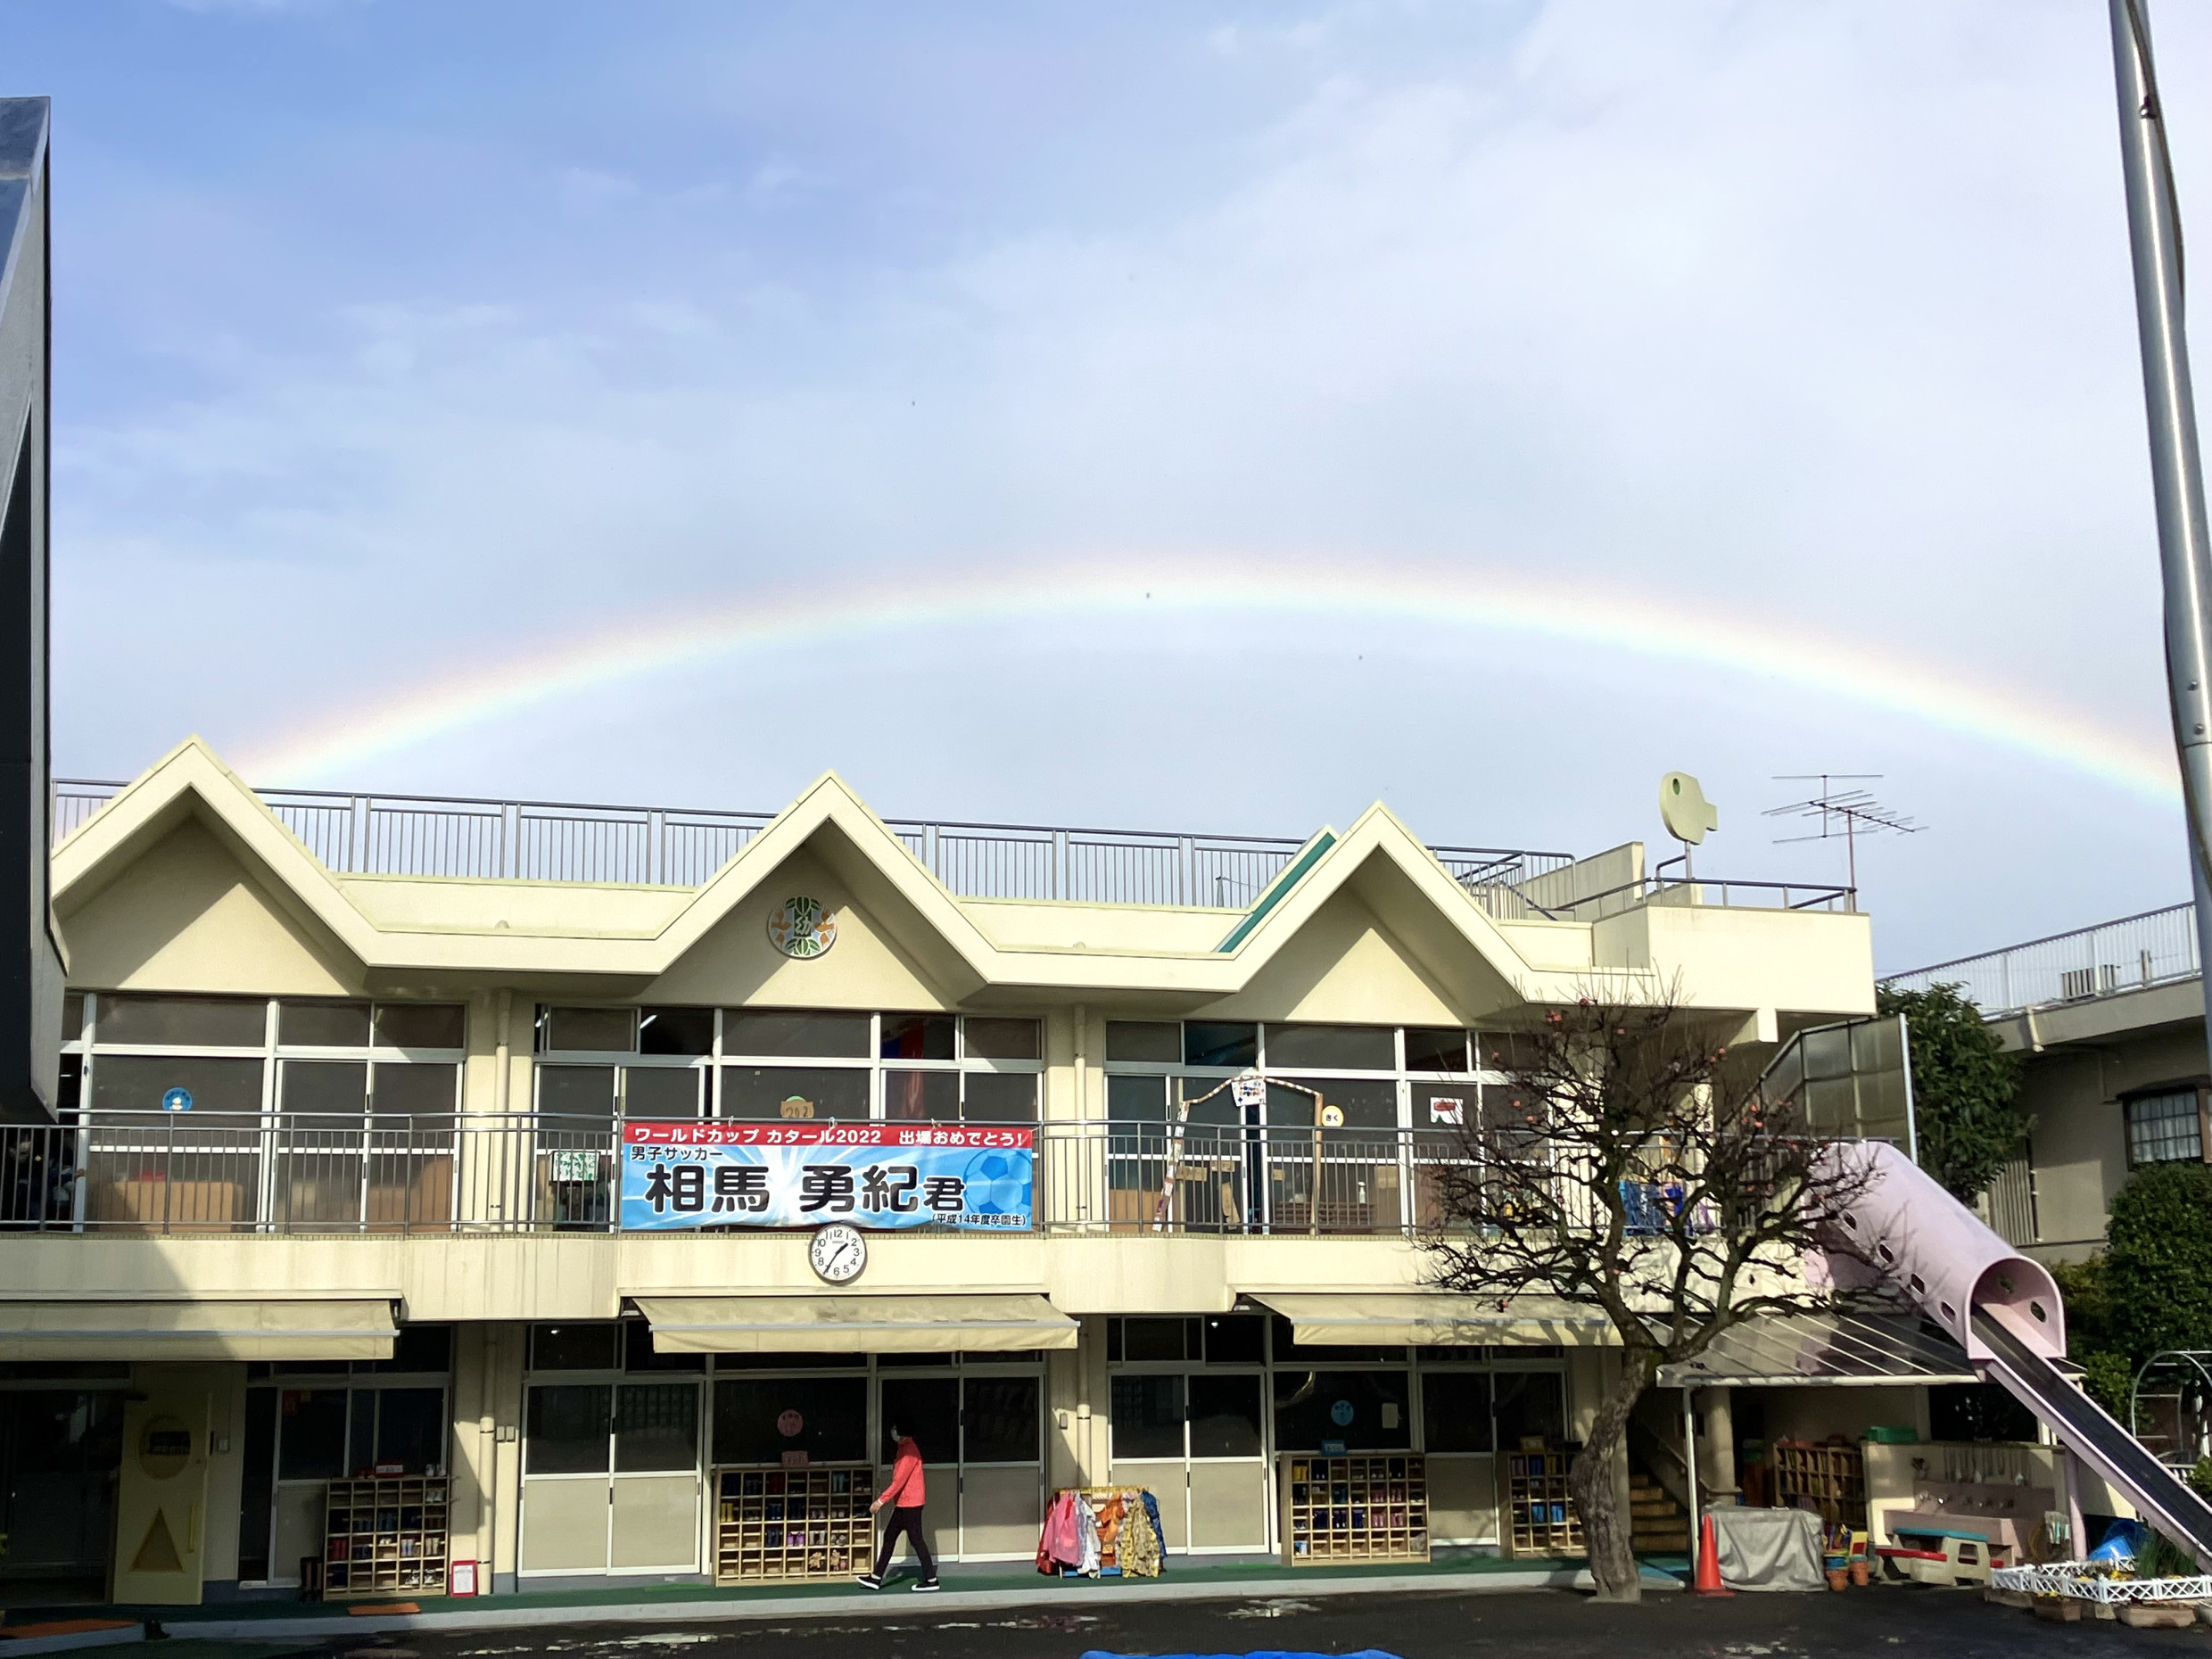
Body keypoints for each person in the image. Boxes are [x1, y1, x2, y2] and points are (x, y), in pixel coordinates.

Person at [856, 1419, 937, 1591]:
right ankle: (876, 1577)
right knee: (891, 1537)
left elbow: (898, 1481)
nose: (892, 1431)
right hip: (904, 1503)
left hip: (911, 1503)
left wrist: (880, 1501)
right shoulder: (904, 1448)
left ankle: (931, 1580)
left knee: (915, 1540)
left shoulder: (909, 1451)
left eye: (895, 1428)